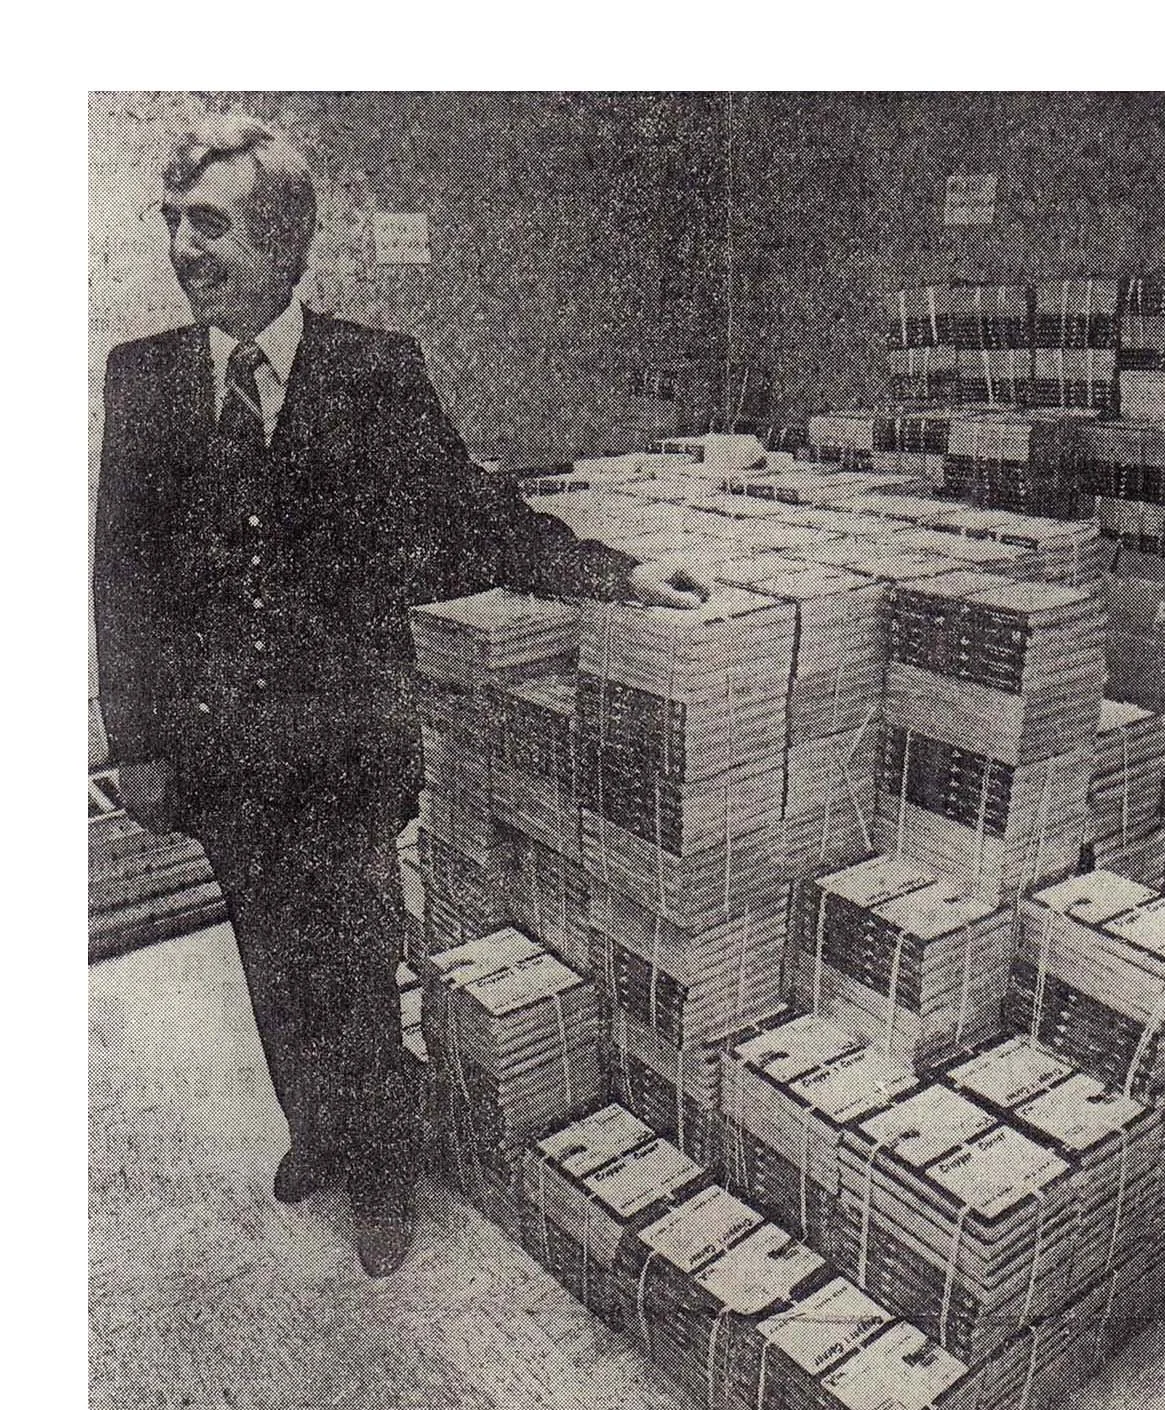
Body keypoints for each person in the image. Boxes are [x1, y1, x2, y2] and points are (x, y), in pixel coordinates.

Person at [93, 115, 710, 1278]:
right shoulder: (145, 377)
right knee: (270, 957)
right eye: (173, 222)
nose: (182, 248)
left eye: (208, 223)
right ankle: (316, 1135)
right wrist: (137, 743)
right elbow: (122, 574)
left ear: (284, 239)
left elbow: (474, 516)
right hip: (221, 756)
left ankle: (381, 1174)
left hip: (345, 747)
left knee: (355, 962)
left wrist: (613, 572)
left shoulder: (374, 370)